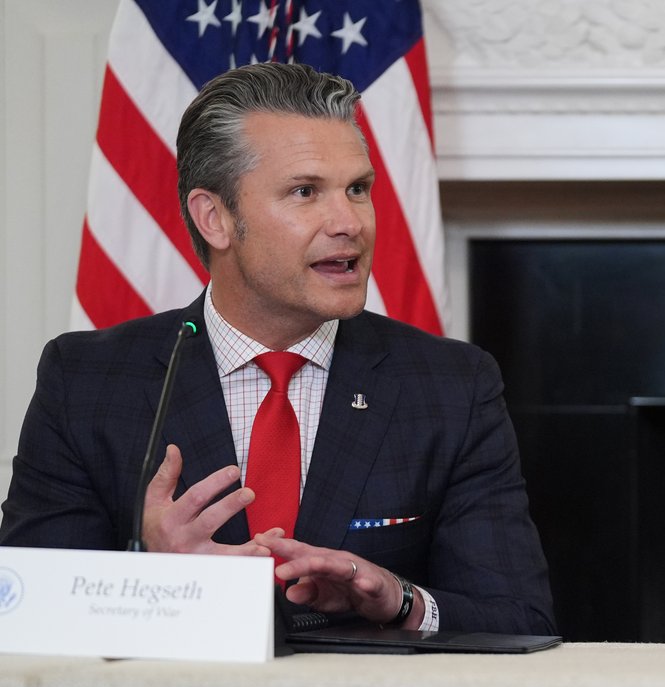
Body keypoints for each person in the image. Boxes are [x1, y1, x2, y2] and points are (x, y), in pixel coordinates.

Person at [0, 62, 555, 636]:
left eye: (358, 190)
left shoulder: (451, 386)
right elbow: (20, 611)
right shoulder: (88, 380)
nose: (350, 223)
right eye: (305, 192)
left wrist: (401, 599)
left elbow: (519, 618)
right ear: (215, 218)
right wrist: (149, 577)